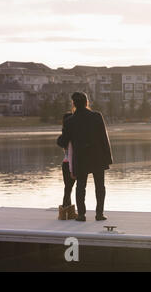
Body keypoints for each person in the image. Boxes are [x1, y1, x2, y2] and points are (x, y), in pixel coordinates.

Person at [57, 92, 113, 222]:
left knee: (81, 186)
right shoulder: (97, 116)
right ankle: (99, 214)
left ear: (74, 104)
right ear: (87, 102)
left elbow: (63, 141)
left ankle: (81, 215)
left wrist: (60, 138)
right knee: (100, 186)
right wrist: (108, 158)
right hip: (98, 156)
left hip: (80, 158)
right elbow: (104, 138)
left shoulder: (70, 121)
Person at [58, 112, 78, 220]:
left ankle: (68, 212)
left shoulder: (64, 136)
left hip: (65, 163)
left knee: (68, 188)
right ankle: (65, 211)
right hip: (70, 164)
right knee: (69, 188)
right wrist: (72, 170)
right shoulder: (71, 137)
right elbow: (70, 154)